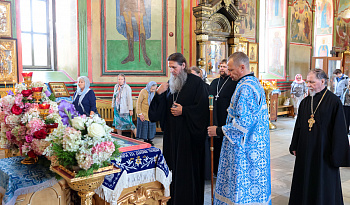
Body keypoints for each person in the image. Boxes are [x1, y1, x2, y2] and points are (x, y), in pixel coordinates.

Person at [208, 52, 271, 205]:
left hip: (245, 149)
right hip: (255, 145)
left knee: (241, 188)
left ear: (242, 67)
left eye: (231, 70)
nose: (229, 74)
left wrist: (218, 130)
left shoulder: (246, 88)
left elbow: (242, 124)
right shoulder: (253, 83)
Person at [149, 53, 209, 205]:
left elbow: (203, 111)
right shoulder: (171, 83)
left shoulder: (196, 83)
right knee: (172, 171)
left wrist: (185, 111)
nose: (172, 71)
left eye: (174, 67)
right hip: (172, 139)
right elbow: (155, 114)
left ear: (183, 65)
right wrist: (159, 94)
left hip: (188, 140)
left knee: (186, 174)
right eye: (170, 68)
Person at [289, 69, 350, 205]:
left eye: (312, 82)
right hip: (305, 150)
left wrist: (338, 154)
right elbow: (298, 126)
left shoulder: (334, 102)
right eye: (307, 81)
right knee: (305, 180)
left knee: (322, 181)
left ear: (322, 81)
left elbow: (339, 130)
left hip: (324, 151)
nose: (308, 84)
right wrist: (294, 145)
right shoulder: (305, 102)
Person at [206, 59, 237, 178]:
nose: (222, 69)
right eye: (220, 66)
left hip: (226, 119)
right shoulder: (214, 82)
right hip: (214, 118)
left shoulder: (233, 82)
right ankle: (214, 170)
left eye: (224, 66)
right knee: (215, 145)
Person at [119, 0, 151, 66]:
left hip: (137, 2)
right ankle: (131, 55)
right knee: (128, 25)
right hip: (125, 2)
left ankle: (144, 55)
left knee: (140, 24)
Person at [136, 81, 157, 145]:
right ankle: (145, 140)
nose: (153, 90)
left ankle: (149, 140)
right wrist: (140, 114)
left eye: (154, 89)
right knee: (144, 128)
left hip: (151, 113)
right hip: (143, 113)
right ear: (149, 87)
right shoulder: (143, 91)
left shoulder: (154, 92)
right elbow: (138, 103)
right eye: (152, 89)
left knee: (151, 127)